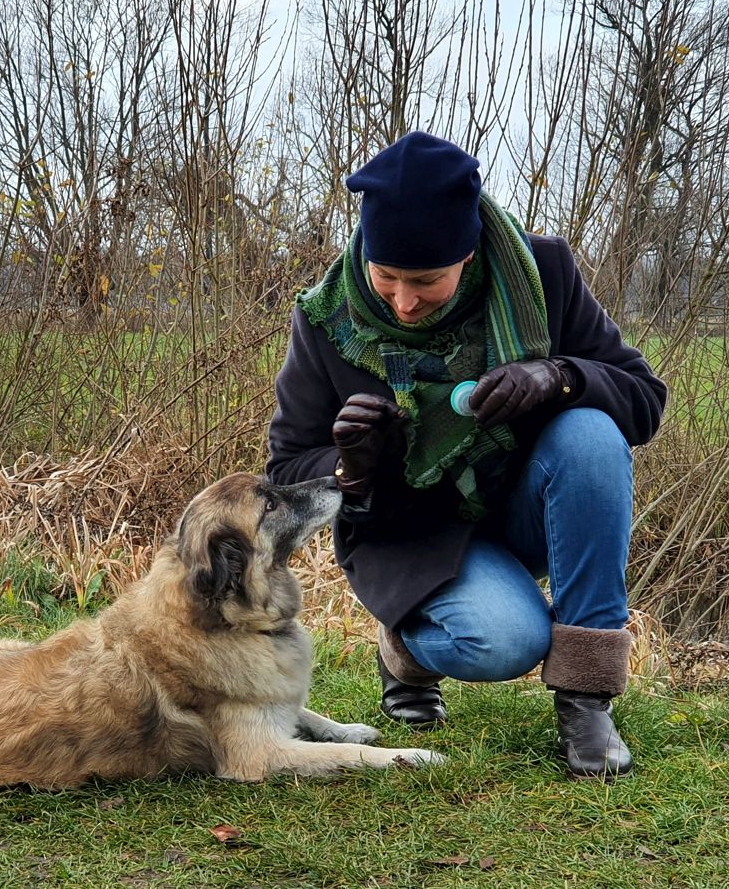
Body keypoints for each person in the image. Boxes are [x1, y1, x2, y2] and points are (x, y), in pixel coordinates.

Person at [265, 131, 666, 780]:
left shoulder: (543, 275)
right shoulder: (323, 321)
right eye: (386, 274)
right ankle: (406, 652)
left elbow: (644, 399)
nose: (402, 300)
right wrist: (348, 464)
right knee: (507, 641)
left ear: (470, 252)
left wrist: (557, 376)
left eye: (426, 281)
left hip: (519, 504)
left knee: (591, 431)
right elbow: (283, 471)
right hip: (410, 535)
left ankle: (586, 701)